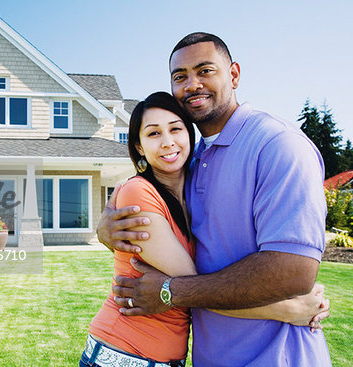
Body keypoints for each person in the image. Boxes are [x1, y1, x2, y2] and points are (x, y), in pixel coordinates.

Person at [84, 92, 329, 367]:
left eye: (175, 129)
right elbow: (193, 286)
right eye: (153, 134)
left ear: (189, 134)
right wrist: (286, 309)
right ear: (139, 147)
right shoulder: (137, 194)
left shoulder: (192, 191)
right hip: (123, 352)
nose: (168, 142)